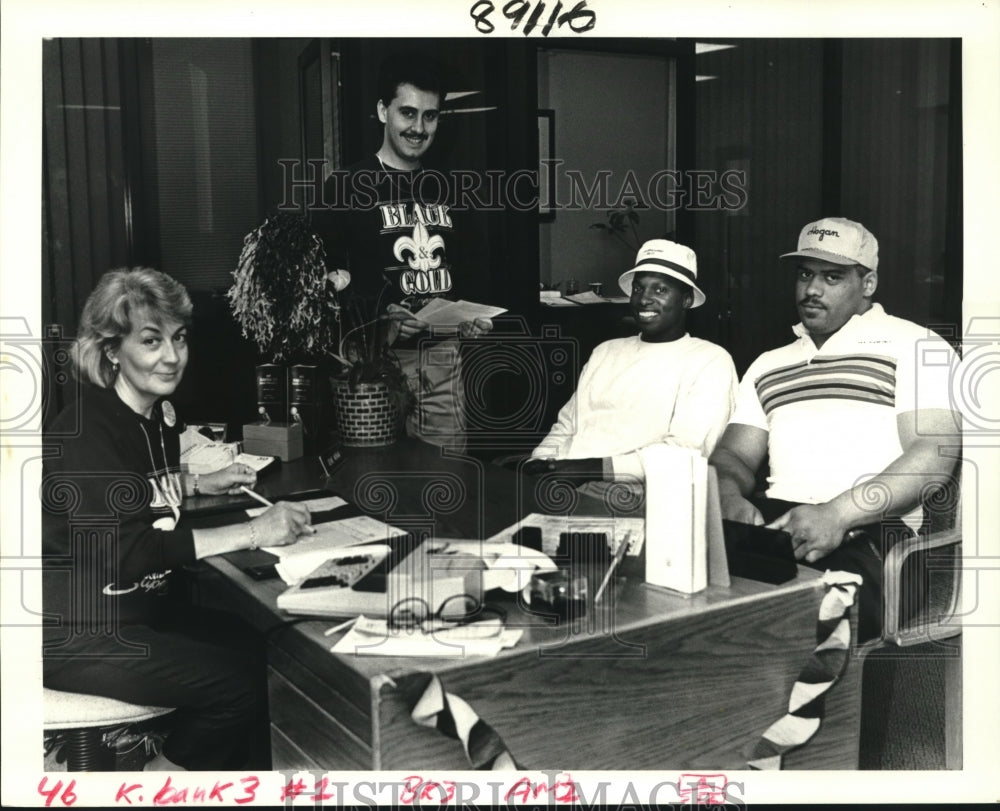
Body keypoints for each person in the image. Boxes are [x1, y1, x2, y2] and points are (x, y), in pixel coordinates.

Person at [42, 267, 314, 771]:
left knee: (265, 649)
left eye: (179, 338)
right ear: (110, 351)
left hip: (135, 610)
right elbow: (130, 551)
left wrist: (193, 483)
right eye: (151, 341)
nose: (172, 356)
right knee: (237, 685)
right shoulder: (86, 432)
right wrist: (257, 530)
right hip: (78, 631)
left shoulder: (155, 415)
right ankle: (158, 785)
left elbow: (127, 491)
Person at [708, 217, 961, 641]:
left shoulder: (916, 345)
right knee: (679, 599)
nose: (812, 290)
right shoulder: (769, 364)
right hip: (777, 525)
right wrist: (728, 497)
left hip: (875, 532)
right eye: (805, 274)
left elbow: (931, 458)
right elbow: (731, 456)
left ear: (868, 284)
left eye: (832, 277)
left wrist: (837, 514)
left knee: (783, 625)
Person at [313, 52, 491, 453]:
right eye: (407, 113)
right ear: (382, 111)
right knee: (373, 479)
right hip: (372, 365)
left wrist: (474, 318)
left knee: (444, 480)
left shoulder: (452, 188)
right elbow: (320, 283)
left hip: (442, 359)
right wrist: (381, 318)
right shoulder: (345, 186)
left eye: (430, 116)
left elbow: (472, 269)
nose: (419, 128)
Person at [526, 239, 738, 485]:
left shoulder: (710, 361)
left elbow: (686, 451)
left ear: (686, 300)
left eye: (660, 290)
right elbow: (565, 427)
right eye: (638, 289)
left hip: (633, 492)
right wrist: (539, 463)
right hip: (563, 482)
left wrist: (587, 470)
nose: (644, 299)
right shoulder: (606, 351)